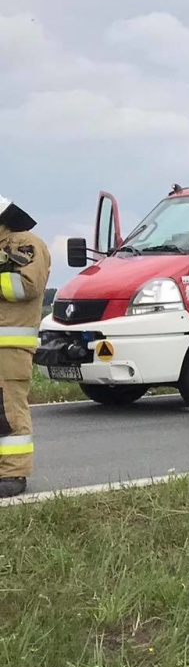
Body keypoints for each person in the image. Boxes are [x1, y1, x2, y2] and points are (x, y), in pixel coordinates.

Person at [0, 194, 50, 499]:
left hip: (9, 348)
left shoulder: (25, 244)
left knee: (8, 413)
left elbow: (26, 286)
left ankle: (13, 474)